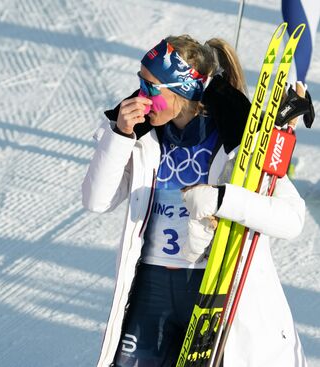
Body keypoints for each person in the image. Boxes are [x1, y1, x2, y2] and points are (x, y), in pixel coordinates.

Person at [81, 35, 309, 366]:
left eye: (151, 88)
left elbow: (291, 219)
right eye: (139, 85)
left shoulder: (235, 139)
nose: (140, 98)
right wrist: (120, 135)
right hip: (152, 284)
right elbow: (96, 201)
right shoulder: (144, 137)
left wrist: (221, 199)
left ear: (183, 88)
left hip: (209, 283)